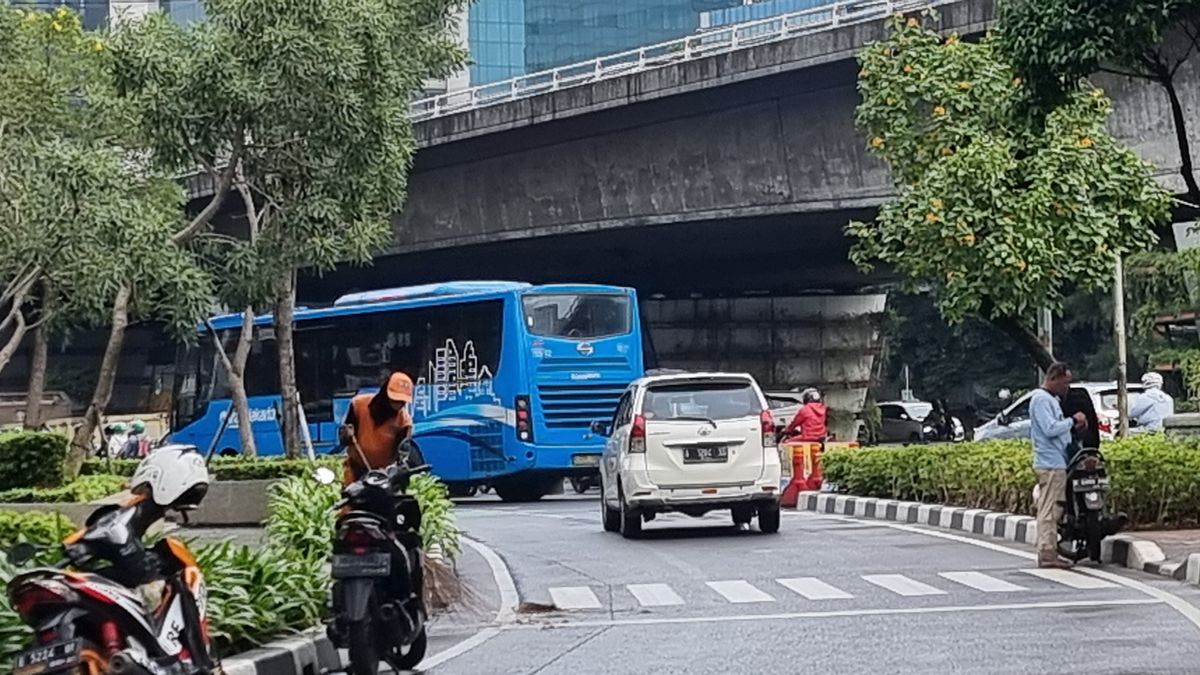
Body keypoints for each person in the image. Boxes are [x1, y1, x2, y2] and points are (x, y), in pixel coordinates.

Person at [1030, 362, 1088, 569]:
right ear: (1053, 379)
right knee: (1049, 509)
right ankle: (1047, 553)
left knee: (1056, 508)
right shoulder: (1041, 400)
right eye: (1064, 383)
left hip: (1057, 461)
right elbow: (1050, 429)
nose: (1066, 388)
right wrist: (1072, 420)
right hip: (1050, 463)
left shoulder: (1051, 400)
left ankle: (1050, 550)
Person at [339, 371, 423, 484]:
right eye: (395, 400)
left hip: (383, 477)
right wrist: (346, 435)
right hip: (355, 470)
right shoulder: (358, 405)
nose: (398, 405)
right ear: (385, 394)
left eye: (402, 402)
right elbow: (345, 439)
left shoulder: (404, 423)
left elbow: (402, 456)